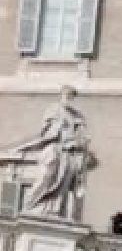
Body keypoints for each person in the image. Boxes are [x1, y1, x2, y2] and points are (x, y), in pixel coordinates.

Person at [17, 86, 91, 220]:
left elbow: (83, 136)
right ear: (62, 95)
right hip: (54, 148)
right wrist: (58, 126)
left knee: (62, 183)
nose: (69, 98)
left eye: (72, 96)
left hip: (67, 152)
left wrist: (79, 136)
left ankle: (54, 210)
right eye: (67, 95)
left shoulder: (77, 116)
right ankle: (32, 205)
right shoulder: (54, 109)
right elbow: (46, 130)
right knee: (46, 176)